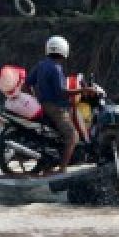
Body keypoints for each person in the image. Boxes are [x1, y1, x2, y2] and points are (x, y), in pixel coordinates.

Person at [26, 35, 77, 175]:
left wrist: (35, 98)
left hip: (43, 106)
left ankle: (49, 164)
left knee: (58, 135)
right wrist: (83, 90)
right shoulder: (56, 68)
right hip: (56, 108)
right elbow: (62, 92)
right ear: (64, 50)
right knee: (72, 136)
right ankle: (62, 170)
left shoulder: (41, 64)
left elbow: (28, 83)